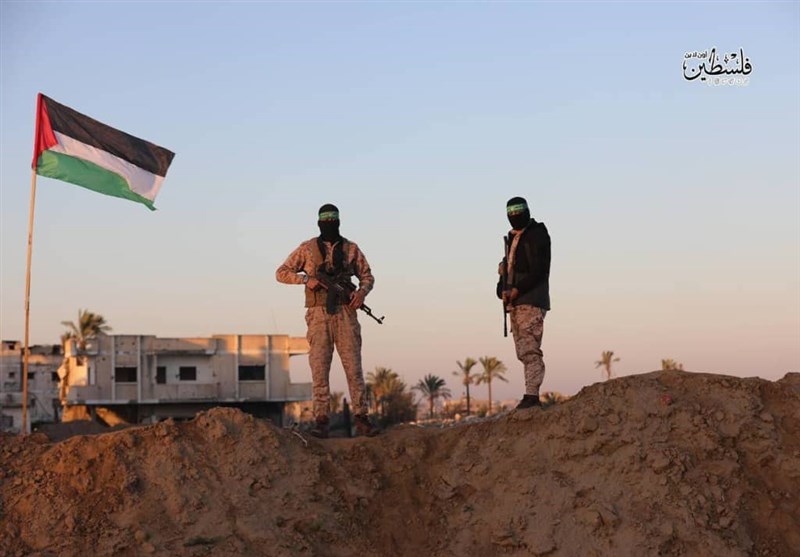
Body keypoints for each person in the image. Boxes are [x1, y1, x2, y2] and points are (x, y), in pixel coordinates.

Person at [276, 204, 378, 438]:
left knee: (354, 369)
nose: (330, 225)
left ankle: (362, 418)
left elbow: (367, 276)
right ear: (319, 223)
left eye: (333, 221)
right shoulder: (307, 249)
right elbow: (281, 272)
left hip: (346, 313)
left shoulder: (351, 249)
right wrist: (305, 280)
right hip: (318, 315)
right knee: (319, 369)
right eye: (326, 221)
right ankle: (321, 420)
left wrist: (361, 293)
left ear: (339, 222)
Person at [497, 197, 551, 409]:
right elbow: (506, 276)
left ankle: (532, 396)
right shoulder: (512, 241)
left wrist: (517, 289)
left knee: (530, 350)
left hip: (531, 301)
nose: (514, 216)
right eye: (511, 213)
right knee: (523, 351)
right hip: (516, 304)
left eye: (518, 212)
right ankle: (530, 395)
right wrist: (503, 290)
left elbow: (539, 270)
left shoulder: (537, 235)